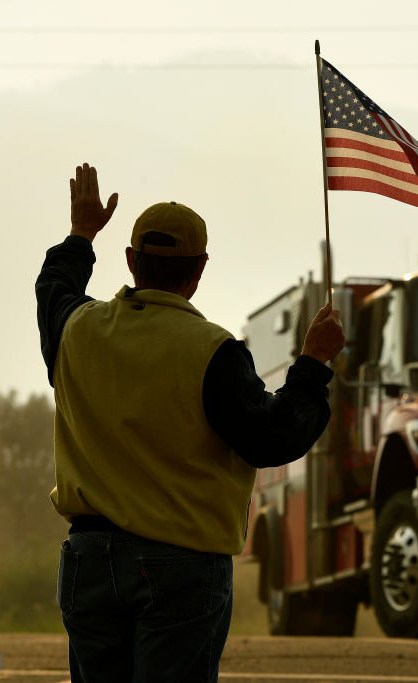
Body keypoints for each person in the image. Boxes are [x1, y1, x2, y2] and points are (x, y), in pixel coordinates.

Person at [35, 163, 344, 683]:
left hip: (88, 563)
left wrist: (81, 234)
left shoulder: (74, 331)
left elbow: (53, 287)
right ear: (198, 270)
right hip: (182, 569)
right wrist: (313, 364)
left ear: (131, 261)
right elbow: (273, 437)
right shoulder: (214, 352)